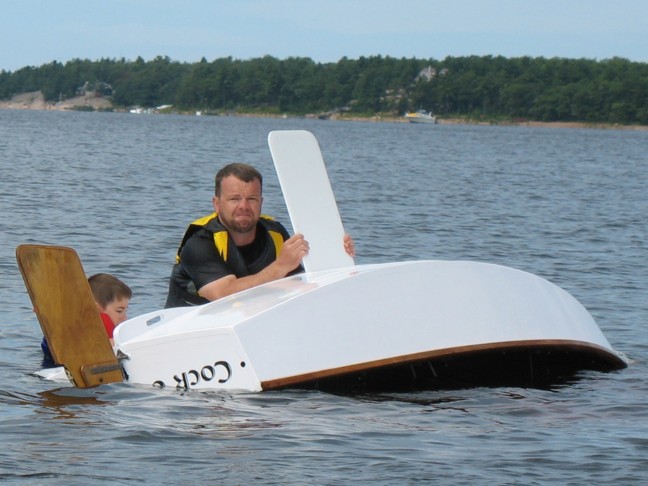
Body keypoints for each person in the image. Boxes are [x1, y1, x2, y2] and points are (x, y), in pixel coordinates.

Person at [165, 162, 355, 308]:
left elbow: (300, 284)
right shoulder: (199, 242)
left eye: (252, 199)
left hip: (249, 325)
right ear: (216, 204)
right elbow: (224, 293)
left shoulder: (274, 233)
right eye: (234, 199)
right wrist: (280, 266)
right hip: (193, 330)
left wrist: (335, 255)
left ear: (261, 202)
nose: (244, 207)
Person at [41, 273, 132, 366]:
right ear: (95, 308)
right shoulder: (101, 320)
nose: (124, 318)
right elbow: (113, 346)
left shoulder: (70, 318)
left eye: (125, 310)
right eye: (119, 311)